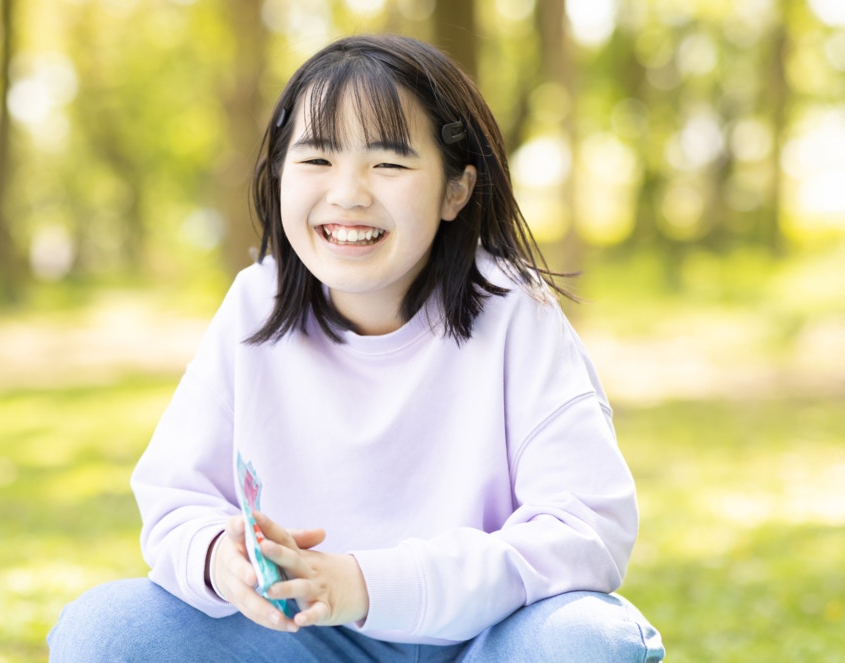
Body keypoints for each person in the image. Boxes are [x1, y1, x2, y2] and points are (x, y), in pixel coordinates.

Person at [48, 34, 664, 662]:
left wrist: (367, 585)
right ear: (279, 174)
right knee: (106, 631)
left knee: (585, 640)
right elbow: (177, 498)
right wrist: (217, 556)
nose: (347, 193)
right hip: (305, 637)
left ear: (455, 190)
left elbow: (585, 527)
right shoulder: (254, 304)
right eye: (317, 158)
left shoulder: (515, 313)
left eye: (389, 164)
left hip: (485, 636)